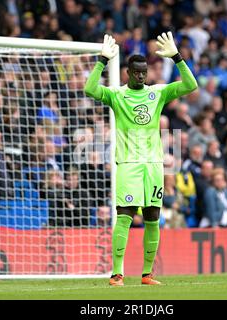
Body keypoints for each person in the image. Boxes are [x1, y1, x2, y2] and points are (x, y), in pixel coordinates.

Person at [84, 33, 197, 286]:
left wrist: (178, 58)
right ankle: (117, 274)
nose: (141, 76)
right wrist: (102, 60)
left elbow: (191, 86)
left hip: (154, 166)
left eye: (144, 72)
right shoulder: (117, 95)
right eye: (136, 72)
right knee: (124, 217)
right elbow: (89, 88)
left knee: (153, 219)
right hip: (129, 165)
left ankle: (147, 274)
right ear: (127, 72)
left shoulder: (157, 93)